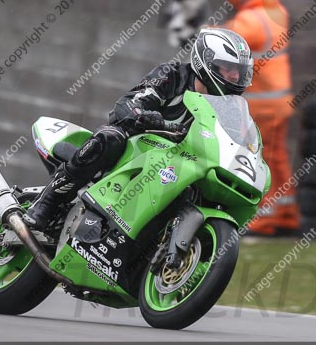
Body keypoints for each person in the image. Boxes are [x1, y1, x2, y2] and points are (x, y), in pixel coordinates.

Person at [24, 27, 253, 231]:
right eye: (228, 69)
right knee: (111, 137)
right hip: (139, 148)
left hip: (180, 163)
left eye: (240, 71)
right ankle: (47, 202)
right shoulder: (171, 76)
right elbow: (128, 103)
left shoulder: (230, 108)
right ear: (206, 62)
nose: (235, 77)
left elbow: (234, 141)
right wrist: (143, 116)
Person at [198, 0, 299, 236]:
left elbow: (225, 40)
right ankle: (286, 214)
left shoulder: (251, 21)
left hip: (263, 106)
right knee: (277, 159)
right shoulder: (275, 10)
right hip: (280, 103)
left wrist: (202, 29)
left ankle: (265, 220)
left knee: (257, 161)